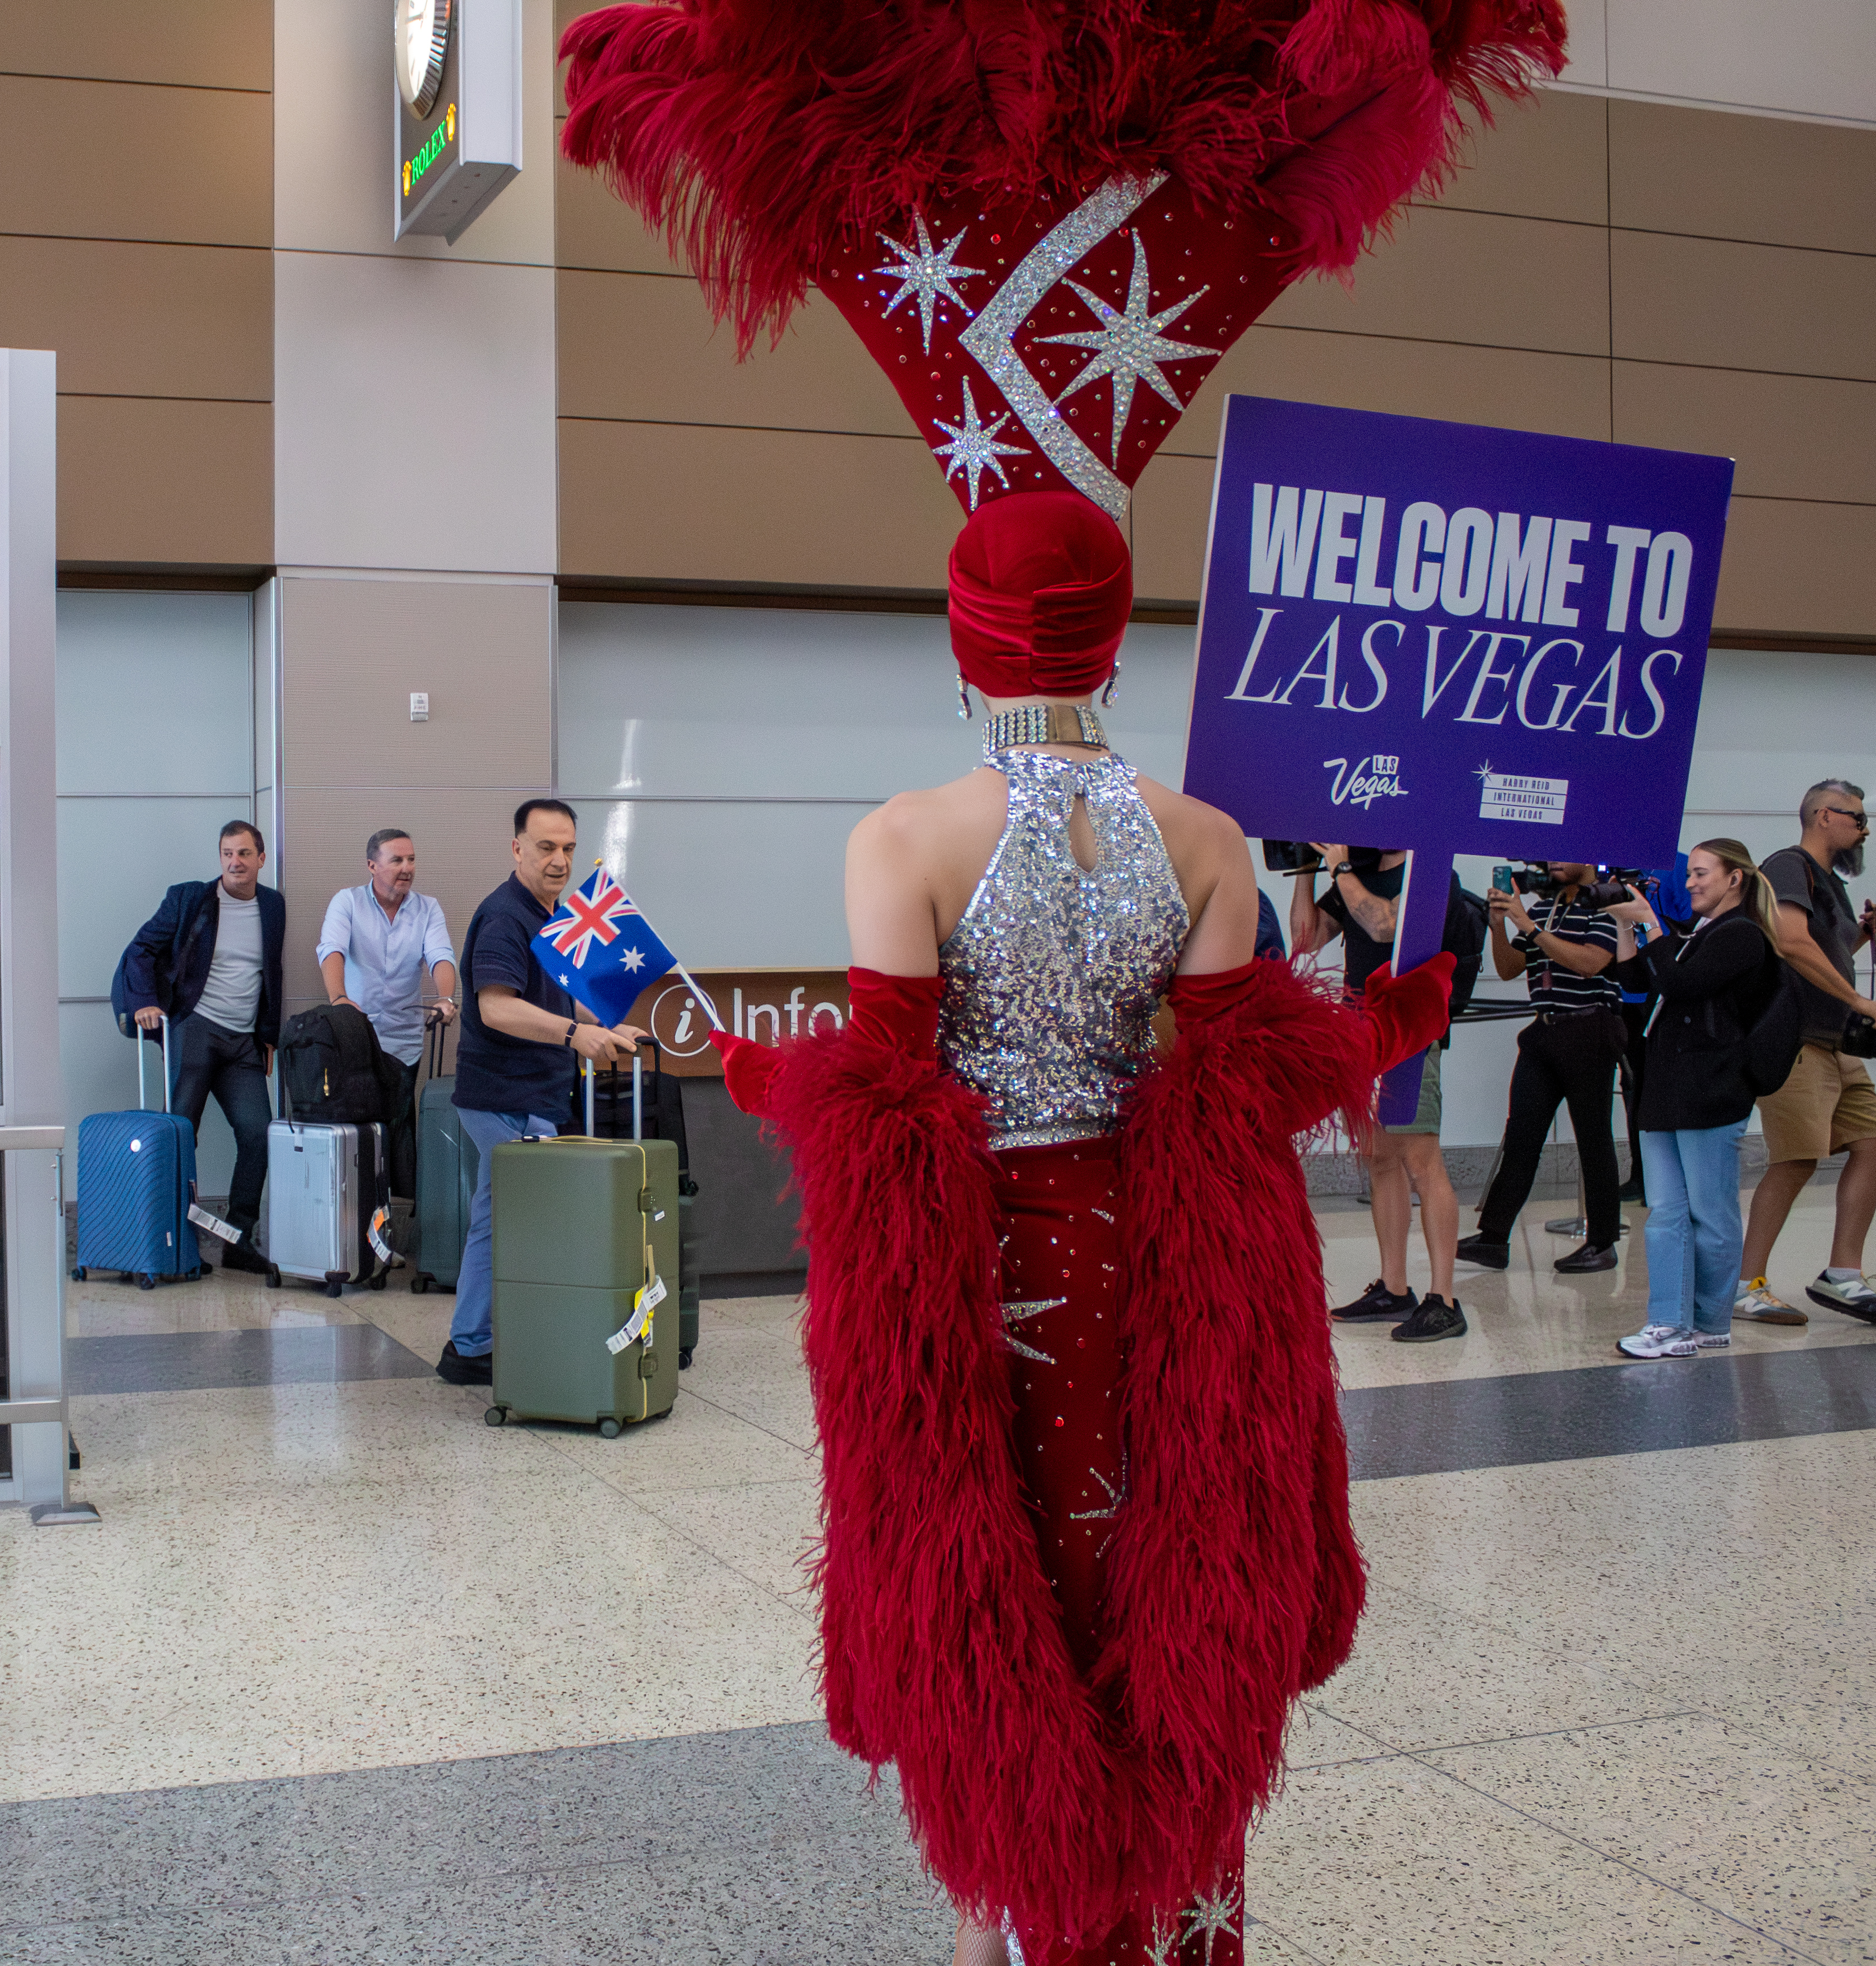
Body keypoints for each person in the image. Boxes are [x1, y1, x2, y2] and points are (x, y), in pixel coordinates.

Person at [558, 0, 1543, 1951]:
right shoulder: (1205, 837)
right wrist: (1407, 1008)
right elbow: (1259, 1070)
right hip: (1163, 1269)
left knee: (996, 1596)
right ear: (1107, 622)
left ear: (963, 627)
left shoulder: (901, 837)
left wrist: (713, 1054)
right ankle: (1186, 1911)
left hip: (984, 1272)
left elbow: (877, 1090)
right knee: (1168, 1574)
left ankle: (1024, 1916)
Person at [438, 799, 650, 1385]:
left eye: (568, 849)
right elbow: (496, 1007)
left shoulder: (549, 914)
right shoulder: (507, 916)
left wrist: (602, 1029)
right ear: (517, 850)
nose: (559, 861)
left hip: (531, 1095)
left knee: (501, 1218)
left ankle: (475, 1342)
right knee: (519, 1221)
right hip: (506, 1097)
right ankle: (480, 1343)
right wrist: (575, 1035)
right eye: (546, 848)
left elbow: (557, 994)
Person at [1602, 842, 1787, 1359]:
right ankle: (1668, 1322)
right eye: (1690, 875)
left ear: (1735, 880)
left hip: (1712, 1092)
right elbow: (1637, 982)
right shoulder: (1697, 936)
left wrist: (1653, 925)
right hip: (1665, 1090)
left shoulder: (1744, 937)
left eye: (1701, 874)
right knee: (1665, 1212)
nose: (1689, 883)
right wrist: (1624, 924)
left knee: (1711, 1212)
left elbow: (1682, 985)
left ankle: (1708, 1320)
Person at [1735, 780, 1876, 1326]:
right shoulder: (1788, 866)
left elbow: (1819, 951)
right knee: (1795, 1160)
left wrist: (1857, 936)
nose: (1864, 829)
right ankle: (1746, 1284)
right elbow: (1788, 941)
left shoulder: (1830, 882)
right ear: (1822, 816)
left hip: (1836, 1042)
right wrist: (1857, 998)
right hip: (1797, 1041)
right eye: (1856, 818)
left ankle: (1842, 1276)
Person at [1298, 849, 1464, 1342]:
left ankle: (1444, 1300)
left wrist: (1341, 871)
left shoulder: (1428, 874)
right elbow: (1306, 939)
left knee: (1422, 1160)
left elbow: (1384, 927)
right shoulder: (1352, 876)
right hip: (1362, 1034)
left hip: (1410, 1032)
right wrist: (1306, 869)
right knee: (1379, 1160)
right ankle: (1395, 1288)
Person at [1457, 864, 1636, 1277]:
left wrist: (1528, 925)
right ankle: (1493, 1238)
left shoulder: (1608, 904)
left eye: (1563, 855)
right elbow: (1508, 968)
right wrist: (1500, 925)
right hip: (1545, 1029)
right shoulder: (1544, 908)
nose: (1552, 863)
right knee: (1521, 1136)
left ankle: (1602, 1242)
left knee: (1593, 1139)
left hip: (1590, 1026)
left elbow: (1591, 962)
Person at [121, 822, 288, 1259]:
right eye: (228, 854)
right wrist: (145, 1001)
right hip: (195, 1028)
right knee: (179, 1133)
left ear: (261, 859)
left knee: (258, 1135)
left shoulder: (273, 907)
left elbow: (271, 973)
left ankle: (238, 1239)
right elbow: (141, 950)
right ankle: (170, 1237)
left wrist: (268, 1035)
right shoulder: (190, 899)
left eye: (245, 854)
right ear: (220, 858)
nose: (236, 862)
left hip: (242, 1043)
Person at [318, 828, 457, 1200]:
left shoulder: (428, 908)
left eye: (411, 859)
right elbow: (331, 949)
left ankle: (398, 1218)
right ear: (372, 865)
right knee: (362, 1129)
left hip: (403, 1041)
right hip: (355, 1040)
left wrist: (446, 997)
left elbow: (441, 956)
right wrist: (339, 998)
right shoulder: (347, 902)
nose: (407, 867)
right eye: (397, 860)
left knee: (397, 1129)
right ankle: (358, 1211)